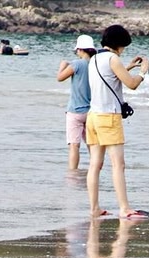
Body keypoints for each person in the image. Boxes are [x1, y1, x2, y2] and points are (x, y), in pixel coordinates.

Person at [86, 24, 149, 218]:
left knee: (95, 165)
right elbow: (131, 84)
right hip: (108, 117)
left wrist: (128, 66)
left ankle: (94, 208)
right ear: (119, 44)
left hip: (93, 117)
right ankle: (124, 208)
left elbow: (109, 76)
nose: (123, 50)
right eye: (124, 46)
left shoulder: (94, 58)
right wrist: (143, 72)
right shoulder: (113, 59)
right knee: (118, 165)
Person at [57, 34, 96, 170]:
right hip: (91, 112)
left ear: (80, 49)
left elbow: (60, 78)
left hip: (75, 111)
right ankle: (94, 171)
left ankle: (73, 174)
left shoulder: (77, 64)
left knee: (74, 145)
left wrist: (62, 66)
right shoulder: (95, 64)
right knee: (92, 145)